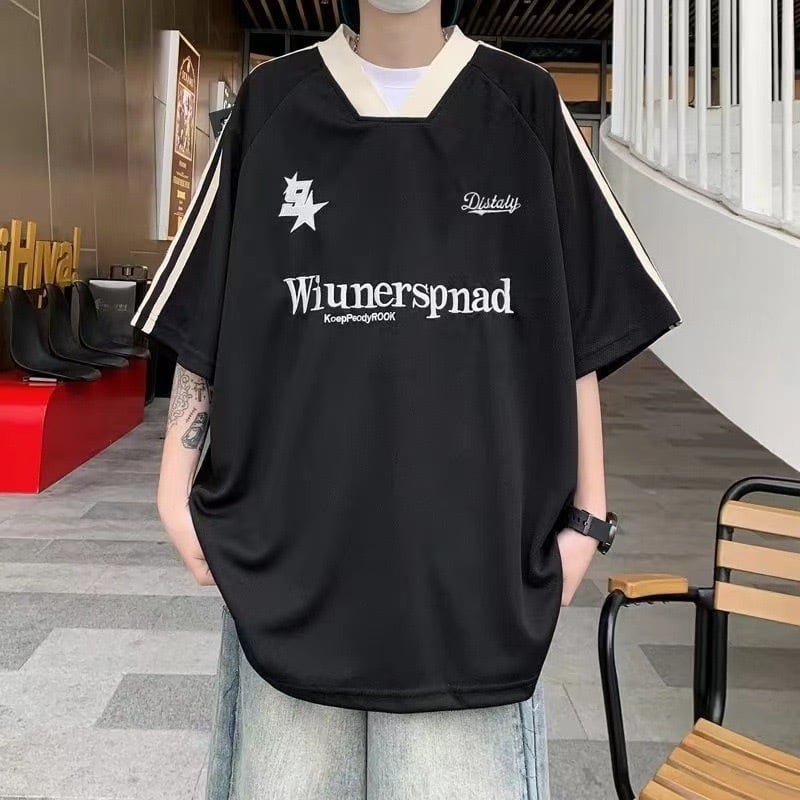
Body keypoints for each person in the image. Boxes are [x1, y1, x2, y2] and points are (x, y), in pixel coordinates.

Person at [131, 0, 681, 796]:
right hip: (290, 559)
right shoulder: (273, 103)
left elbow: (581, 328)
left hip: (476, 574)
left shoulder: (522, 103)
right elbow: (205, 312)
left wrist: (588, 520)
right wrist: (171, 488)